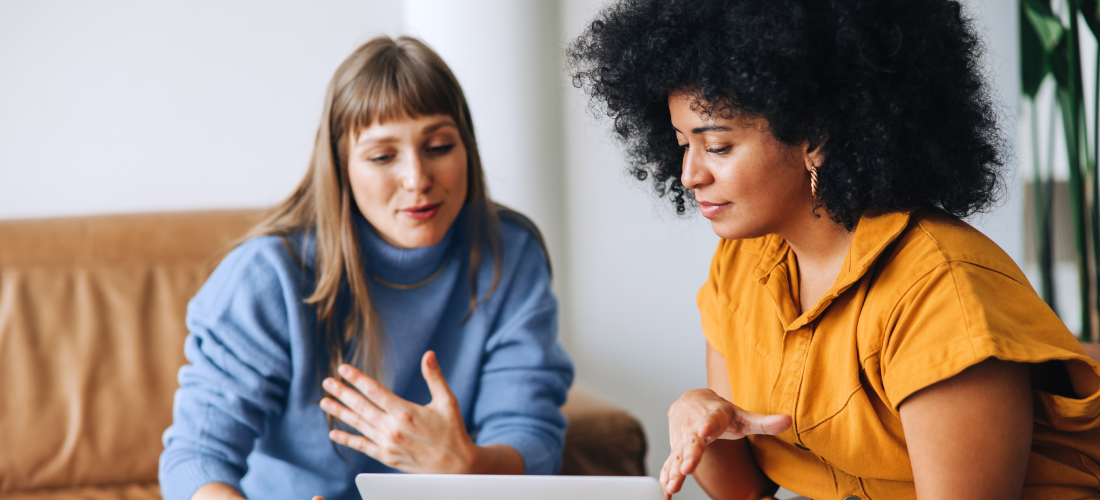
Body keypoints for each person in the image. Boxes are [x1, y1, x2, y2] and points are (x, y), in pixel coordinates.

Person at [569, 1, 1100, 499]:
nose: (689, 175)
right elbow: (747, 489)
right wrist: (698, 418)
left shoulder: (942, 294)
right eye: (684, 145)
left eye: (718, 146)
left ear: (814, 136)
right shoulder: (741, 266)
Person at [159, 36, 573, 500]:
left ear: (467, 148)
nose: (417, 179)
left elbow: (530, 434)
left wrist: (468, 466)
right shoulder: (268, 275)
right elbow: (196, 458)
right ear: (341, 166)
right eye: (382, 156)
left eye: (438, 146)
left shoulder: (510, 252)